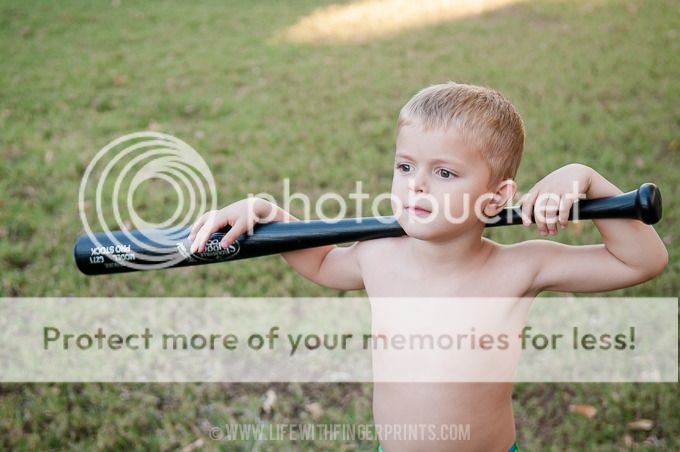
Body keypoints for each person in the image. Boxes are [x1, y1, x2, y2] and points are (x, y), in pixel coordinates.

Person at [188, 82, 668, 451]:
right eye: (405, 166)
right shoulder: (378, 255)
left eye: (444, 173)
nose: (416, 185)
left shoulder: (520, 268)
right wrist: (269, 213)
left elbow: (641, 261)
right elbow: (321, 262)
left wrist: (585, 178)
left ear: (498, 196)